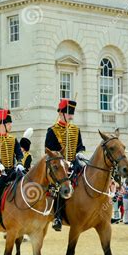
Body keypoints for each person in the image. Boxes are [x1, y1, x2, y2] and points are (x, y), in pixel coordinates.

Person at [45, 99, 85, 231]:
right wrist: (62, 160)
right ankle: (57, 217)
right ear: (61, 113)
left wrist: (79, 153)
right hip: (59, 165)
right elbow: (49, 150)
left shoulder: (75, 129)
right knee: (60, 186)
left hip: (74, 163)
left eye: (72, 114)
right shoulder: (52, 131)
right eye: (69, 114)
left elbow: (80, 146)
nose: (71, 116)